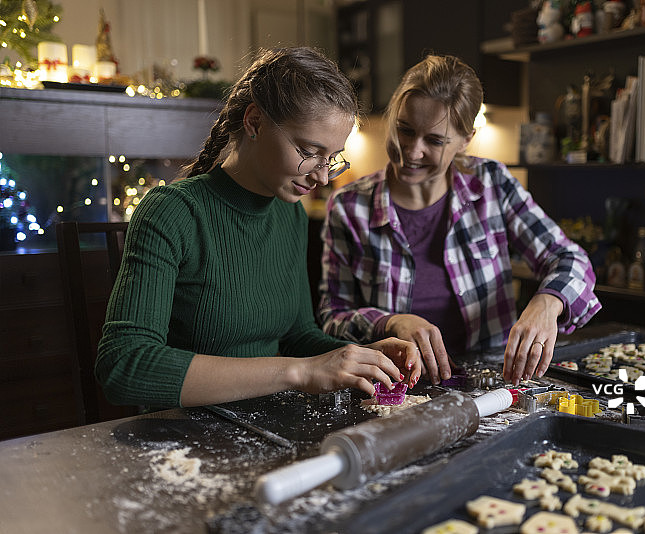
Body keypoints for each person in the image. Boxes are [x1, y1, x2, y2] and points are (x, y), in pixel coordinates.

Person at [96, 47, 422, 409]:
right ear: (254, 122)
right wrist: (298, 373)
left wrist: (360, 357)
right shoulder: (172, 212)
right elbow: (125, 367)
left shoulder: (290, 213)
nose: (321, 175)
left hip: (267, 424)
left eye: (331, 159)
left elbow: (298, 337)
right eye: (309, 151)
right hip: (184, 443)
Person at [317, 54, 600, 386]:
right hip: (395, 391)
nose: (412, 151)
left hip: (492, 387)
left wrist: (548, 303)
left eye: (435, 140)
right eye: (404, 130)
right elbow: (331, 318)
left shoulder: (491, 184)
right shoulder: (350, 207)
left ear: (466, 139)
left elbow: (570, 259)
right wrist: (391, 322)